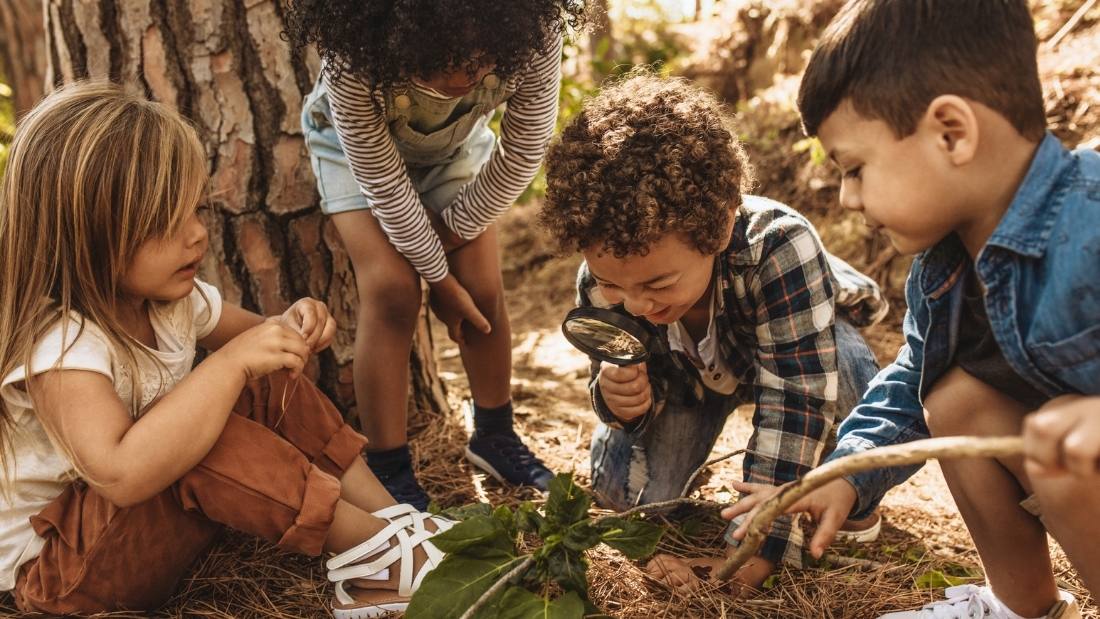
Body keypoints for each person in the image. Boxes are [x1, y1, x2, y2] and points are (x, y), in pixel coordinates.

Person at [0, 82, 450, 618]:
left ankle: (394, 524)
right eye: (167, 223)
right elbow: (122, 474)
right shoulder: (62, 347)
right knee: (202, 434)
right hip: (60, 576)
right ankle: (380, 559)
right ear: (86, 237)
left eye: (195, 211)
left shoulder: (170, 302)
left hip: (130, 536)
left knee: (261, 380)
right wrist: (233, 364)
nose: (196, 236)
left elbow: (262, 340)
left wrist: (292, 325)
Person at [726, 1, 1099, 617]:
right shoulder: (942, 270)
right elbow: (908, 385)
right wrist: (844, 474)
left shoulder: (1086, 221)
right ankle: (1021, 606)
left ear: (951, 132)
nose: (847, 198)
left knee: (1059, 431)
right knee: (953, 397)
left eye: (855, 169)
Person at [538, 71, 889, 595]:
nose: (636, 304)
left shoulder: (780, 247)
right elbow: (609, 374)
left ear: (720, 227)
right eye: (615, 284)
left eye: (658, 282)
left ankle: (851, 494)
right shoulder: (603, 280)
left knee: (849, 367)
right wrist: (621, 403)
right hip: (688, 384)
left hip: (790, 349)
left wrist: (759, 542)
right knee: (621, 493)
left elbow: (795, 398)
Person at [282, 0, 587, 508]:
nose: (464, 76)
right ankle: (389, 466)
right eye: (442, 61)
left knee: (483, 290)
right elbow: (381, 180)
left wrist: (449, 241)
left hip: (455, 151)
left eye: (479, 59)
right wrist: (438, 283)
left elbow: (525, 149)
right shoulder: (353, 58)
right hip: (355, 156)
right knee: (393, 290)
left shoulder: (533, 26)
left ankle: (495, 435)